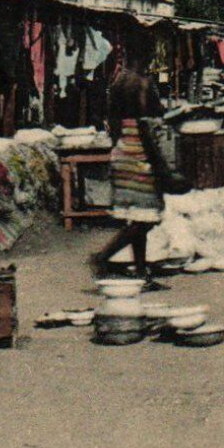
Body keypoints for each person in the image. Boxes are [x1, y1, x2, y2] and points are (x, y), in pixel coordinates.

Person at [92, 62, 191, 286]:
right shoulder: (143, 114)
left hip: (123, 162)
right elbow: (152, 148)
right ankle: (103, 258)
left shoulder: (121, 106)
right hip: (139, 167)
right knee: (142, 223)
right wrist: (166, 175)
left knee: (139, 220)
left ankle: (140, 271)